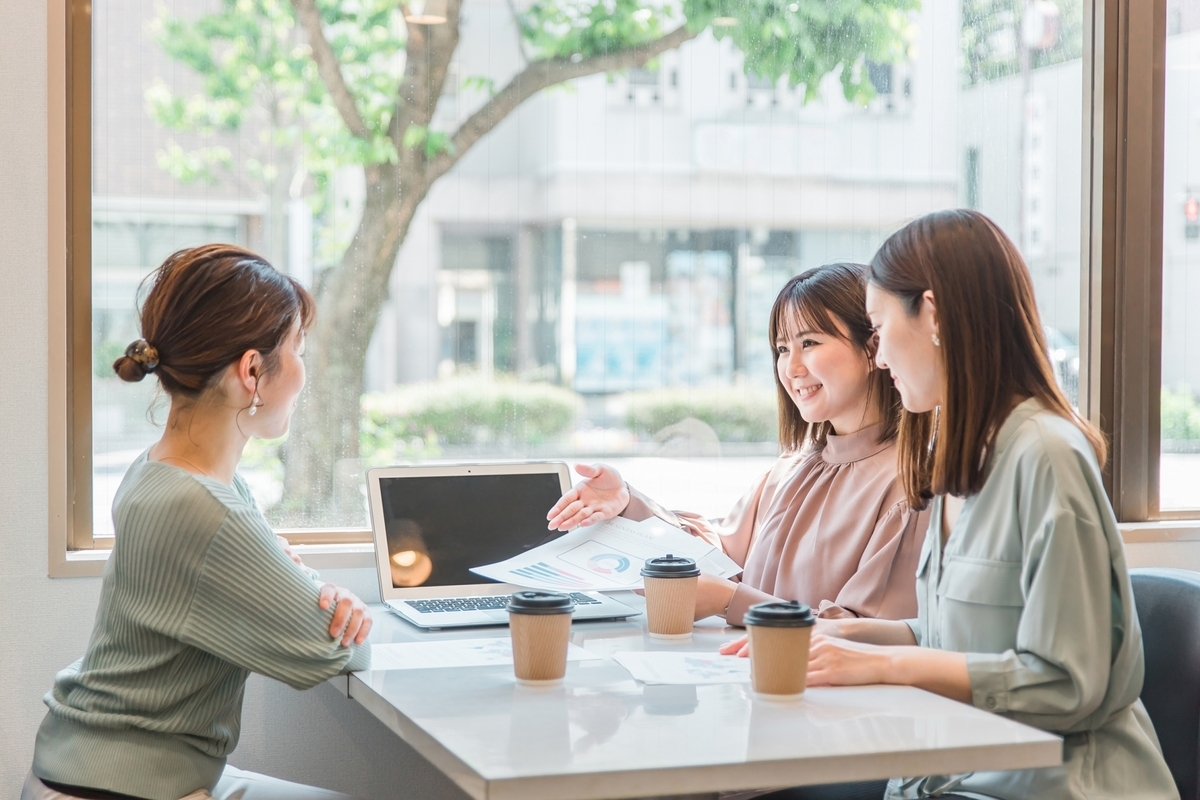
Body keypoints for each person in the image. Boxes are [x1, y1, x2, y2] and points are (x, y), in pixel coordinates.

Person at [723, 210, 1179, 800]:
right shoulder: (959, 463)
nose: (880, 358)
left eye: (881, 329)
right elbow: (947, 636)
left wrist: (887, 667)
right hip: (951, 776)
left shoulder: (1044, 455)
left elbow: (1069, 684)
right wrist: (836, 642)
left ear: (932, 315)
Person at [24, 245, 373, 800]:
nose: (305, 374)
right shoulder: (205, 508)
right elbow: (333, 649)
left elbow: (280, 578)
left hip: (87, 769)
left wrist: (298, 583)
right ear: (252, 370)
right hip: (117, 786)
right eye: (299, 350)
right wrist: (325, 601)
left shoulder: (164, 471)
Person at [547, 262, 929, 625]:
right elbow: (722, 556)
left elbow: (870, 633)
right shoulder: (791, 468)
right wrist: (629, 503)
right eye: (782, 349)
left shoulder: (910, 488)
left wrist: (731, 601)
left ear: (873, 348)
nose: (791, 368)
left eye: (809, 342)